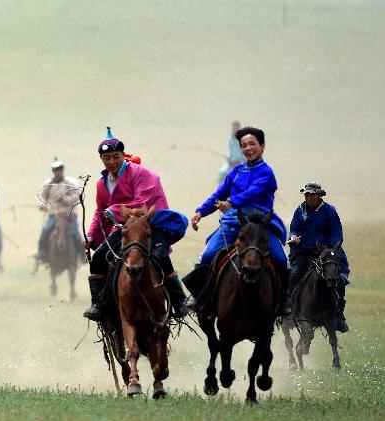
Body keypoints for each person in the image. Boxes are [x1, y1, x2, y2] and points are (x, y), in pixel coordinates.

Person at [84, 128, 190, 322]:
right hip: (125, 229)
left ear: (123, 155)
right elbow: (100, 211)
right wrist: (91, 237)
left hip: (151, 223)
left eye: (115, 157)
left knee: (159, 255)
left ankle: (178, 300)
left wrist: (115, 211)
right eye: (106, 158)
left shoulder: (141, 173)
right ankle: (98, 304)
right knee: (99, 257)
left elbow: (144, 203)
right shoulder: (102, 183)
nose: (112, 162)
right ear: (101, 159)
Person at [185, 126, 289, 314]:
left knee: (281, 260)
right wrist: (201, 212)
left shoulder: (266, 172)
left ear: (262, 146)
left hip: (260, 224)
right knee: (207, 256)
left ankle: (284, 301)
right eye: (244, 145)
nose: (248, 148)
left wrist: (232, 201)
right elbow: (219, 194)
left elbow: (253, 191)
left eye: (252, 144)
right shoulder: (235, 172)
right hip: (234, 223)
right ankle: (200, 296)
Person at [285, 182, 350, 332]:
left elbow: (336, 233)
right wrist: (294, 237)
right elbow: (294, 228)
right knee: (294, 274)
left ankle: (339, 315)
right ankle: (289, 307)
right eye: (306, 195)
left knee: (338, 278)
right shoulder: (300, 211)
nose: (308, 197)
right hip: (303, 251)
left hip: (325, 252)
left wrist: (329, 249)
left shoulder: (329, 211)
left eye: (312, 195)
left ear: (319, 195)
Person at [35, 159, 81, 263]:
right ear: (53, 171)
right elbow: (42, 196)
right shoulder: (48, 183)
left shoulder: (71, 183)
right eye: (55, 170)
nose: (58, 172)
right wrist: (43, 203)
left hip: (69, 215)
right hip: (54, 215)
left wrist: (64, 200)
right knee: (45, 231)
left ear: (63, 170)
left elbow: (76, 197)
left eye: (59, 169)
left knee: (75, 233)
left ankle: (82, 256)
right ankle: (42, 253)